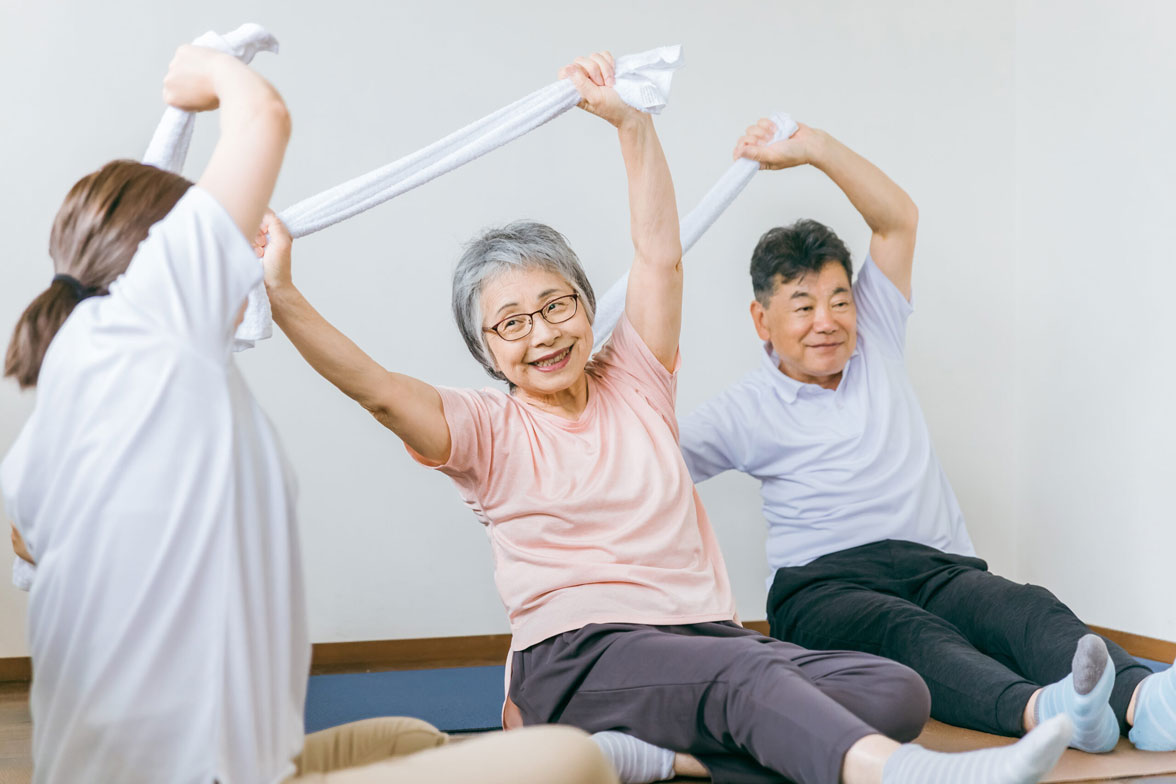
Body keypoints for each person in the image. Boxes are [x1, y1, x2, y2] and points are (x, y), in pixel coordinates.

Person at [263, 51, 1074, 784]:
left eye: (555, 305)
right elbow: (371, 385)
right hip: (580, 656)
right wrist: (283, 294)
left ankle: (663, 761)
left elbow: (659, 254)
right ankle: (909, 778)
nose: (542, 333)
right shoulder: (481, 429)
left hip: (704, 640)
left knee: (892, 687)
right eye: (511, 323)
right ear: (486, 350)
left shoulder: (637, 382)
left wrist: (630, 122)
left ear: (588, 307)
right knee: (756, 689)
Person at [2, 44, 616, 784]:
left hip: (230, 764)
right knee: (573, 759)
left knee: (410, 739)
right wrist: (206, 72)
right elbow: (262, 117)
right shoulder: (142, 333)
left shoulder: (86, 392)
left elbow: (31, 545)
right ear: (168, 268)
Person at [677, 117, 1176, 755]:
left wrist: (812, 149)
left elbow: (897, 219)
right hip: (825, 586)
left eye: (838, 299)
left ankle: (1142, 701)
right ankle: (1044, 714)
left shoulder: (877, 334)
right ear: (762, 319)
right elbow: (646, 462)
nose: (826, 321)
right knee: (911, 636)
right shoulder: (741, 410)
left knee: (1023, 608)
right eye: (803, 306)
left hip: (936, 565)